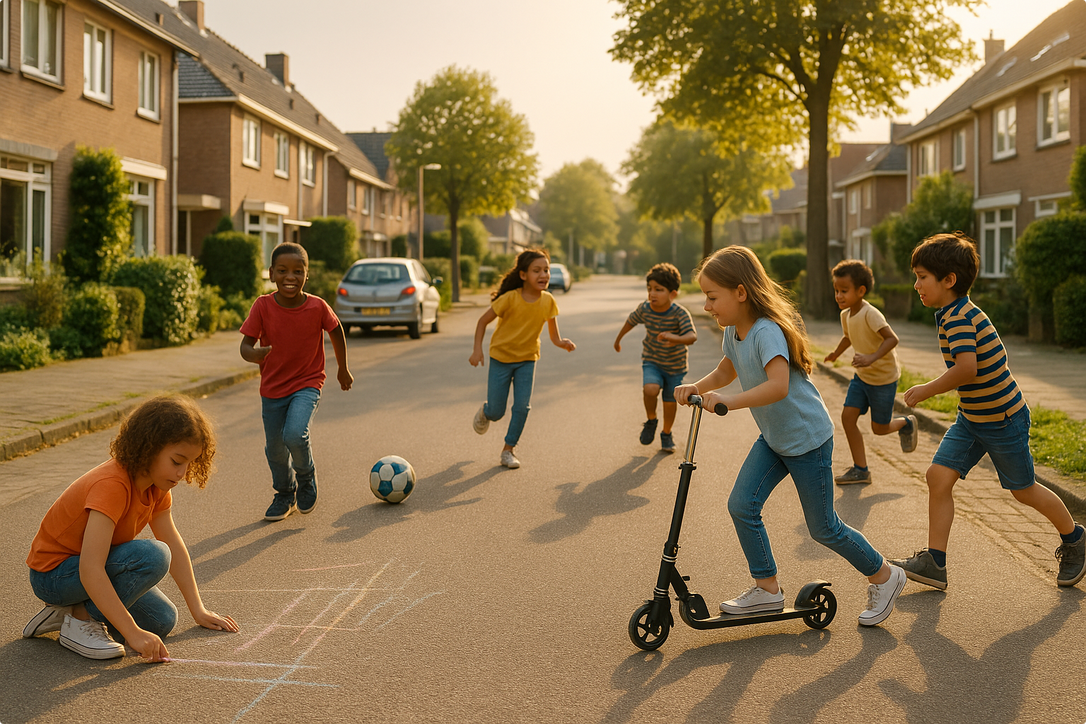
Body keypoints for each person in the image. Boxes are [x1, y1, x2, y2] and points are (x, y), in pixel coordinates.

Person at [674, 245, 906, 626]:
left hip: (807, 440)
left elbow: (778, 386)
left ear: (740, 292)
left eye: (712, 297)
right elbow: (724, 371)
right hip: (775, 438)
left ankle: (885, 575)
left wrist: (728, 403)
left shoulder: (767, 332)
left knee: (824, 528)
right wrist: (694, 387)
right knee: (741, 505)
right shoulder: (734, 332)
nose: (707, 306)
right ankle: (767, 590)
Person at [891, 232, 1085, 589]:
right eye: (915, 275)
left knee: (1023, 490)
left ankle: (1075, 538)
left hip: (1003, 420)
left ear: (948, 280)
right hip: (973, 418)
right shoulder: (951, 312)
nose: (915, 284)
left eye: (922, 277)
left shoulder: (960, 317)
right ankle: (935, 562)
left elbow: (968, 368)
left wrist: (925, 390)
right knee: (938, 477)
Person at [23, 396, 239, 661]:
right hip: (53, 575)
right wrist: (132, 633)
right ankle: (80, 621)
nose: (182, 472)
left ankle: (66, 611)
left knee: (162, 621)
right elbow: (90, 567)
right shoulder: (112, 485)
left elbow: (174, 542)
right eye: (177, 461)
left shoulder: (157, 488)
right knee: (154, 555)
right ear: (149, 448)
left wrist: (199, 610)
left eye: (190, 463)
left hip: (84, 570)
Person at [240, 242, 353, 521]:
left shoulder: (317, 306)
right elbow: (245, 345)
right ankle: (284, 493)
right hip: (273, 389)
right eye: (283, 270)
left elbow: (336, 331)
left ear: (307, 275)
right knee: (275, 449)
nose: (290, 277)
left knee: (294, 434)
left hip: (308, 382)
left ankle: (306, 477)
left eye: (297, 271)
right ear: (271, 274)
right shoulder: (263, 306)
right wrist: (255, 354)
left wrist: (343, 369)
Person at [469, 249, 576, 469]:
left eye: (546, 270)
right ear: (523, 275)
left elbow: (554, 337)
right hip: (501, 358)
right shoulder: (510, 298)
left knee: (522, 407)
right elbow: (482, 321)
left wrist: (562, 342)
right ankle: (486, 411)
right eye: (537, 270)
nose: (544, 275)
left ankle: (508, 450)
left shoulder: (548, 301)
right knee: (497, 412)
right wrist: (477, 350)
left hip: (527, 360)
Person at [824, 260, 918, 484]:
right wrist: (836, 354)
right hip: (862, 378)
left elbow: (892, 338)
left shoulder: (870, 313)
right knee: (848, 417)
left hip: (883, 380)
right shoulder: (845, 315)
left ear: (861, 291)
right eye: (836, 290)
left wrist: (872, 357)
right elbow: (848, 337)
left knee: (880, 428)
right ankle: (861, 470)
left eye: (844, 291)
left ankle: (906, 423)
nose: (838, 296)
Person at [614, 262, 697, 452]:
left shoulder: (680, 313)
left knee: (669, 401)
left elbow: (692, 336)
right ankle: (651, 420)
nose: (652, 293)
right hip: (652, 360)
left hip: (675, 367)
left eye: (658, 290)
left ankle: (666, 433)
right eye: (649, 289)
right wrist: (618, 339)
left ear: (672, 294)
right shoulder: (645, 309)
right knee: (650, 389)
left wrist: (675, 339)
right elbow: (630, 321)